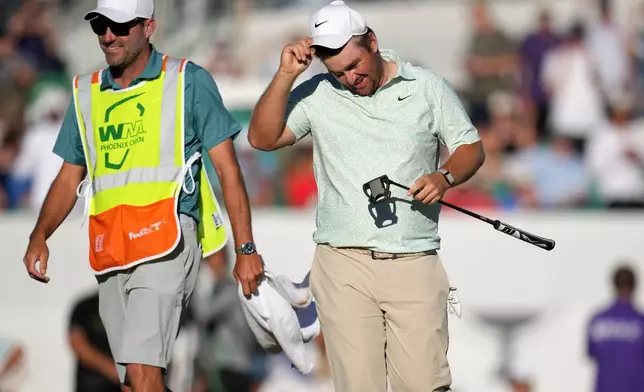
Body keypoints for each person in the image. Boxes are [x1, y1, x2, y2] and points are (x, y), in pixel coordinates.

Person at [20, 0, 264, 391]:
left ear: (148, 27)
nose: (108, 35)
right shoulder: (86, 92)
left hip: (167, 243)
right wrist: (39, 235)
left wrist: (246, 249)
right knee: (135, 383)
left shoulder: (188, 80)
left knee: (142, 372)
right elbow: (69, 177)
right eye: (100, 25)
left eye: (119, 26)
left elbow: (229, 170)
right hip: (110, 249)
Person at [247, 1, 485, 391]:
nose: (350, 78)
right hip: (343, 264)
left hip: (413, 258)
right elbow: (262, 138)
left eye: (355, 65)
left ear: (372, 42)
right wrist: (286, 75)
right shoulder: (317, 93)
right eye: (337, 72)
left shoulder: (427, 87)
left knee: (426, 385)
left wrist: (444, 177)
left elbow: (470, 148)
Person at [586, 264, 644, 392]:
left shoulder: (597, 320)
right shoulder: (640, 322)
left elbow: (591, 353)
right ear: (635, 286)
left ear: (613, 285)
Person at [68, 290, 122, 392]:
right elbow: (77, 344)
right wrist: (113, 370)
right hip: (93, 384)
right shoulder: (85, 306)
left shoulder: (135, 305)